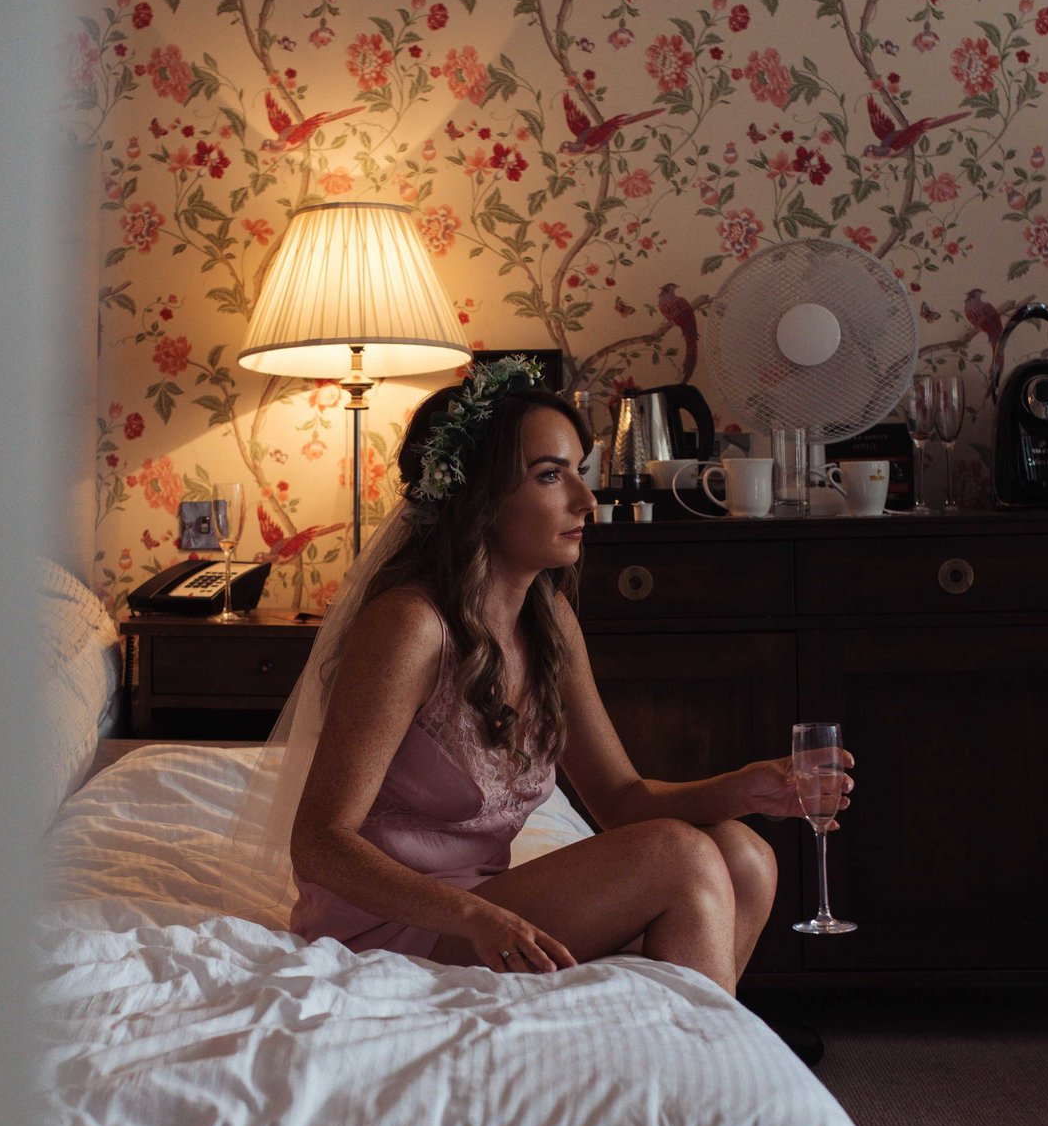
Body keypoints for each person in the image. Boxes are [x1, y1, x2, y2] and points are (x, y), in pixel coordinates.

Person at [271, 357, 849, 996]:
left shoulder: (548, 621)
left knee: (744, 854)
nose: (584, 499)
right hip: (398, 922)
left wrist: (743, 790)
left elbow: (622, 800)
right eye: (550, 476)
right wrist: (472, 913)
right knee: (679, 857)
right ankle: (711, 1066)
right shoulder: (410, 626)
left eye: (580, 471)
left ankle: (678, 1049)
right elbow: (319, 843)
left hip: (487, 902)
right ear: (479, 496)